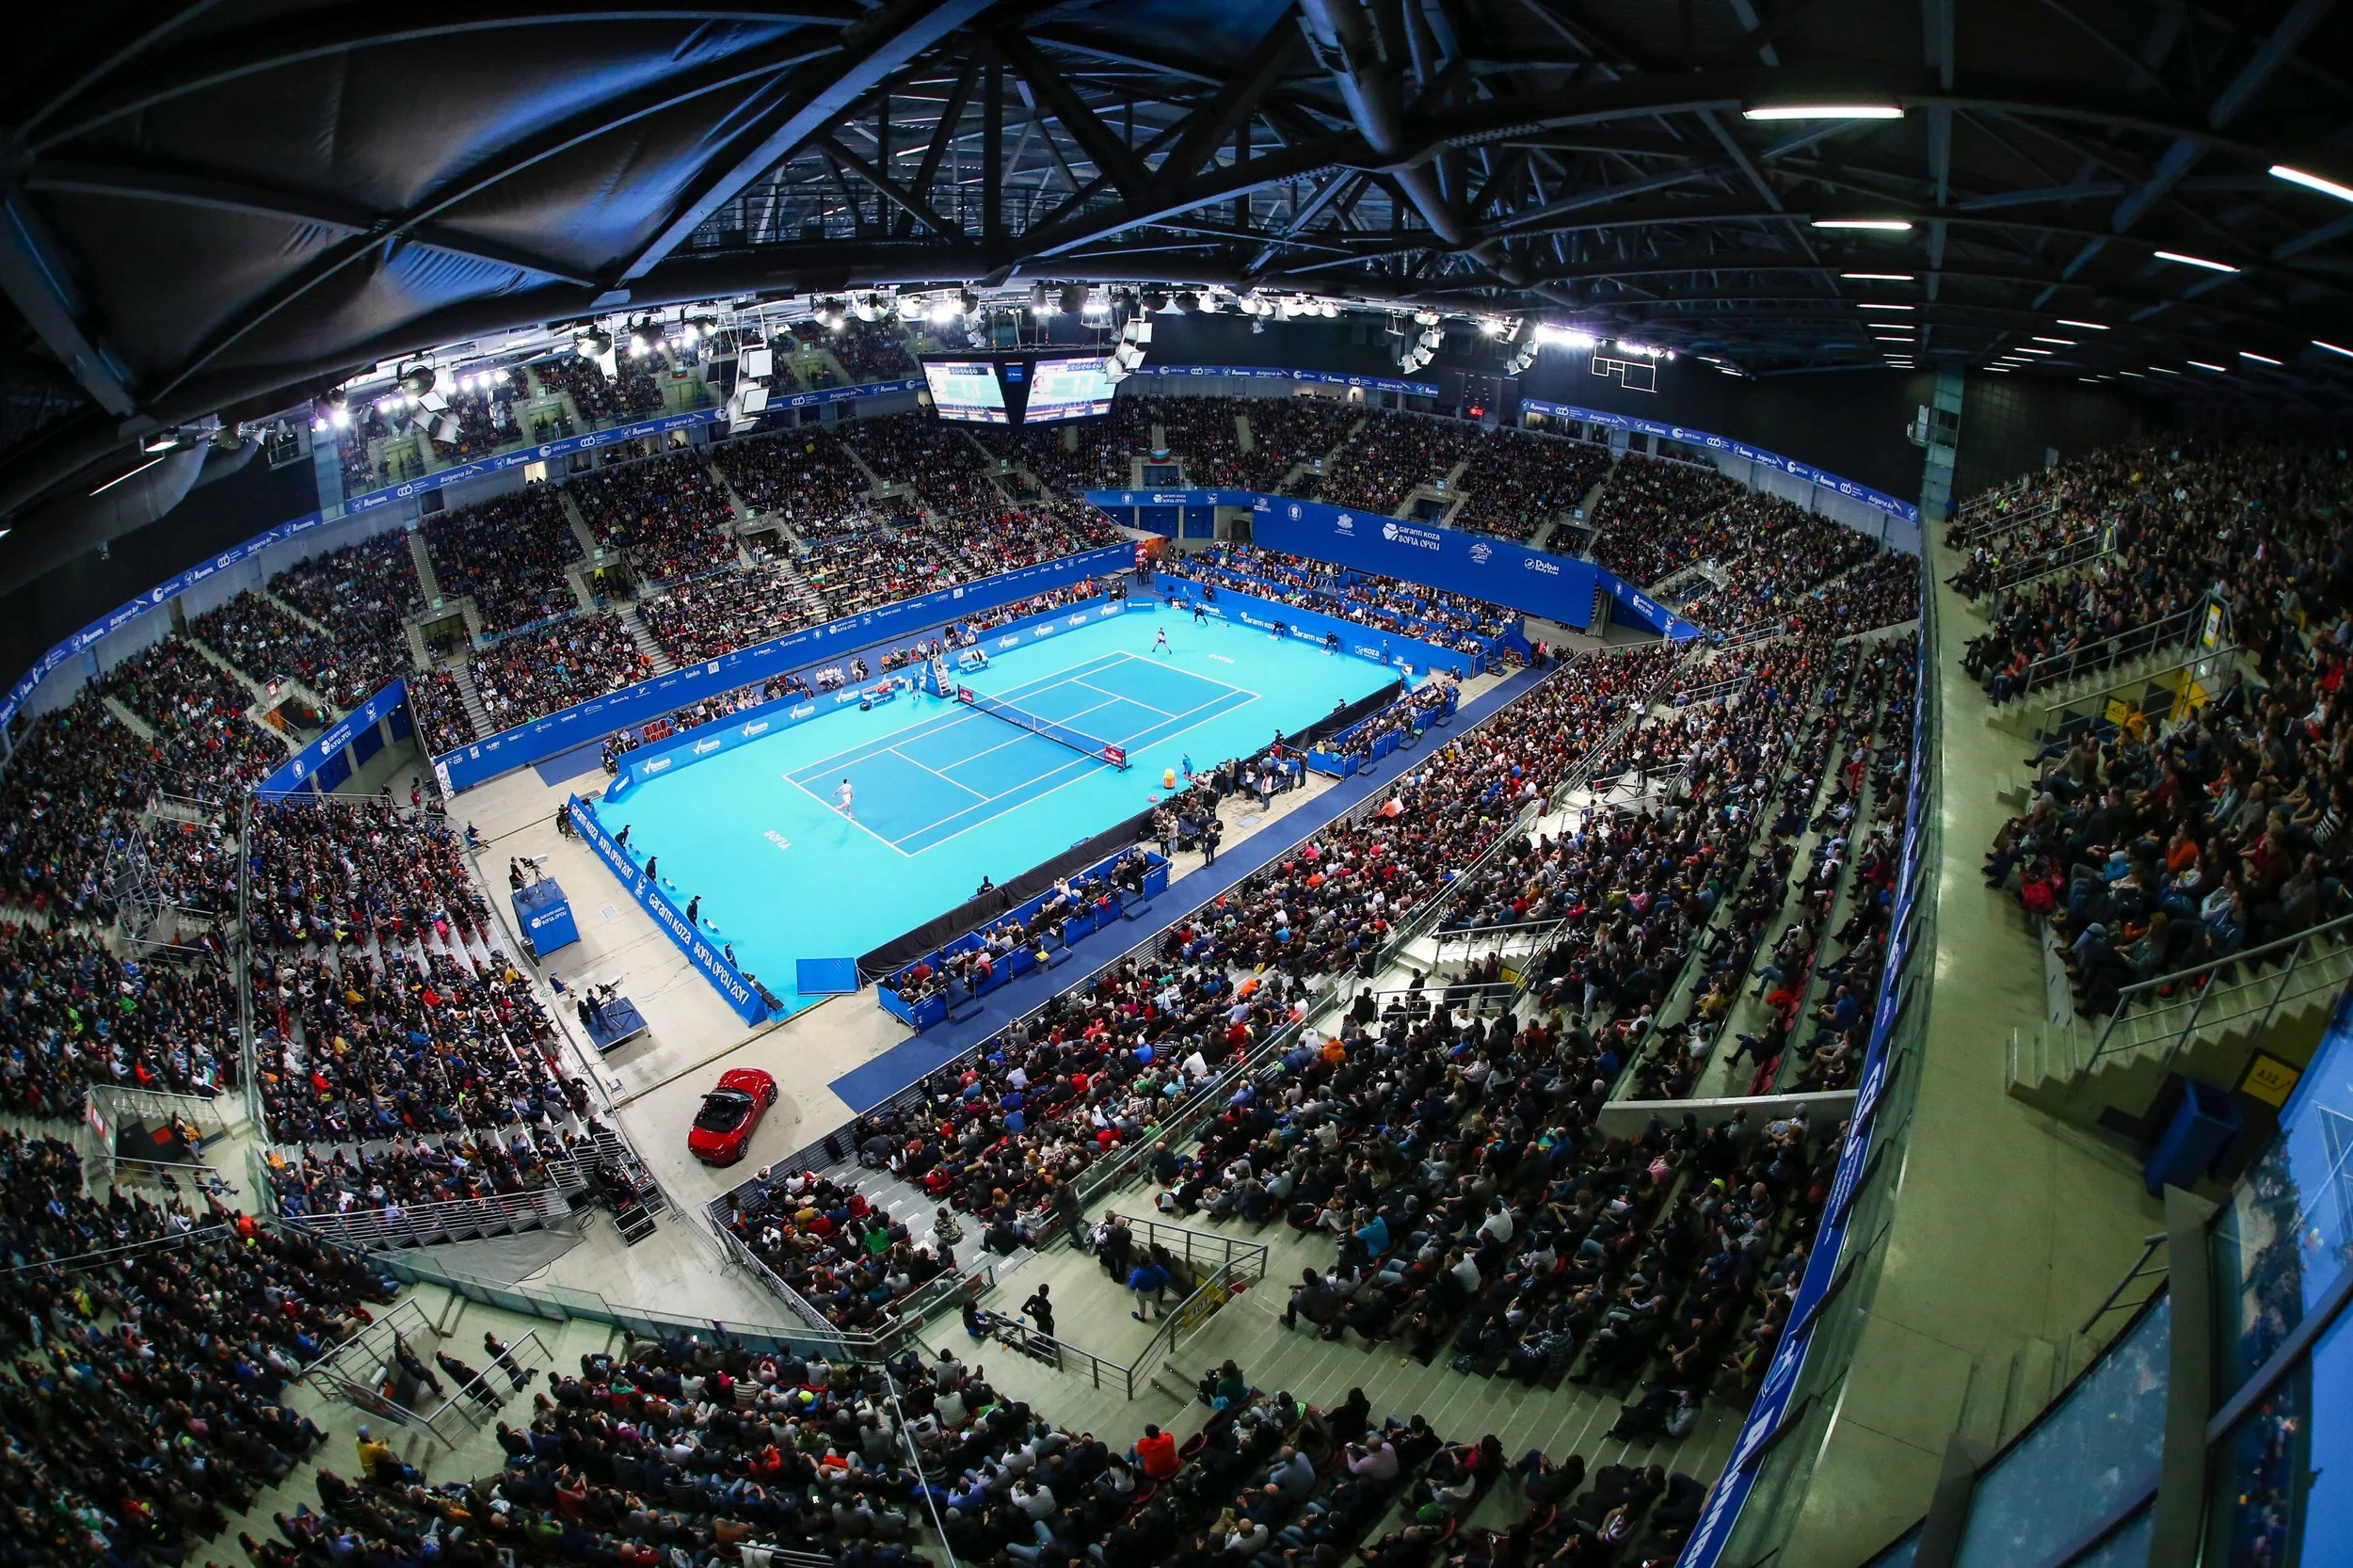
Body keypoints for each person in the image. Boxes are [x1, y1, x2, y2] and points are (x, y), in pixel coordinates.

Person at [1128, 1256, 1169, 1320]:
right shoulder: (1156, 1268)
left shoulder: (1137, 1273)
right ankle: (1157, 1312)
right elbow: (1166, 1276)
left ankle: (1141, 1316)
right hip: (1154, 1291)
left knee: (1141, 1304)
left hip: (1142, 1293)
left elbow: (1132, 1287)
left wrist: (1131, 1278)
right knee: (1155, 1302)